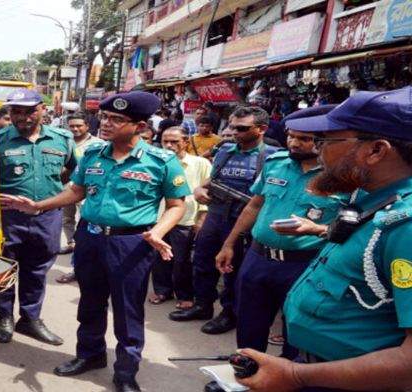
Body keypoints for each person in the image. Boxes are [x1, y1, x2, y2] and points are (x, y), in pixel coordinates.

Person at [1, 91, 189, 392]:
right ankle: (90, 355)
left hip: (132, 243)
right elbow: (75, 191)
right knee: (90, 303)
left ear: (139, 126)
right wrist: (38, 206)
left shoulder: (160, 160)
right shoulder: (92, 154)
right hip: (90, 238)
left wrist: (158, 232)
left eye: (117, 119)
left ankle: (126, 372)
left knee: (128, 312)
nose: (106, 124)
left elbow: (177, 204)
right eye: (105, 117)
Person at [235, 86, 412, 392]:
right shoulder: (372, 201)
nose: (317, 151)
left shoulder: (404, 225)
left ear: (376, 150)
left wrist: (294, 376)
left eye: (326, 141)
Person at [205, 105, 343, 392]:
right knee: (250, 324)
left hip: (305, 264)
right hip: (258, 258)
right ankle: (243, 378)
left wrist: (317, 229)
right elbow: (255, 205)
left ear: (323, 142)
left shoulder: (342, 176)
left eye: (304, 138)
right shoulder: (277, 162)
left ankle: (287, 381)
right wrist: (229, 243)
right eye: (292, 136)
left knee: (297, 329)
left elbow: (354, 226)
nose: (294, 143)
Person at [169, 106, 279, 335]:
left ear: (262, 129)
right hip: (216, 215)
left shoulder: (273, 157)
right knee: (202, 260)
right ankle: (202, 304)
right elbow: (212, 178)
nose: (235, 132)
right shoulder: (225, 150)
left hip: (244, 221)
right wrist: (200, 189)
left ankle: (229, 312)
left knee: (231, 268)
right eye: (232, 127)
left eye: (242, 128)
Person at [0, 88, 76, 346]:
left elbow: (73, 172)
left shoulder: (62, 139)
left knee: (38, 269)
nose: (22, 117)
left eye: (29, 111)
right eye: (16, 112)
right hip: (8, 217)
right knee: (5, 267)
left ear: (43, 110)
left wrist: (48, 198)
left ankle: (30, 319)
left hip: (46, 217)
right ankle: (4, 316)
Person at [148, 126, 211, 309]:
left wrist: (202, 218)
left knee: (182, 260)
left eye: (174, 141)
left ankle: (184, 294)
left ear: (185, 141)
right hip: (158, 219)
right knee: (159, 258)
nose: (169, 145)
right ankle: (162, 291)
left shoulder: (200, 163)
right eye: (165, 141)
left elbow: (207, 192)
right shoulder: (155, 163)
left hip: (186, 219)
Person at [57, 113, 103, 260]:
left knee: (87, 220)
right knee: (66, 219)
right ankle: (72, 243)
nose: (75, 129)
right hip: (66, 187)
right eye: (72, 126)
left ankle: (85, 250)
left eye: (79, 126)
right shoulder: (61, 142)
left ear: (87, 126)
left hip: (88, 189)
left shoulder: (99, 144)